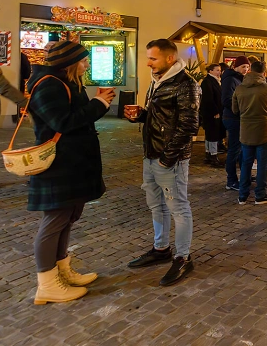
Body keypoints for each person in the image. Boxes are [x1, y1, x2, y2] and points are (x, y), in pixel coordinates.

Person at [26, 41, 115, 304]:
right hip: (58, 167)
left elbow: (74, 116)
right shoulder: (49, 84)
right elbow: (62, 122)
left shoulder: (67, 82)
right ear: (70, 62)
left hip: (72, 164)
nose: (87, 64)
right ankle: (47, 283)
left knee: (67, 217)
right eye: (84, 60)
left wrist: (96, 102)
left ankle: (62, 271)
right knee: (54, 221)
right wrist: (99, 103)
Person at [126, 39, 200, 286]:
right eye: (148, 57)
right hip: (152, 154)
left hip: (170, 159)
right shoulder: (157, 80)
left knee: (178, 207)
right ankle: (161, 249)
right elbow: (161, 118)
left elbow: (188, 126)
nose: (148, 62)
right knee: (156, 205)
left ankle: (183, 257)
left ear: (169, 59)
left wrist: (168, 158)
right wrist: (141, 116)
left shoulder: (186, 84)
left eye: (153, 58)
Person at [232, 61, 267, 204]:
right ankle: (260, 194)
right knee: (262, 163)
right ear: (264, 72)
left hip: (246, 130)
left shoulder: (239, 88)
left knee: (246, 163)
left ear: (250, 71)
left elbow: (235, 110)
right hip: (263, 130)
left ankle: (242, 196)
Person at [221, 56, 250, 191]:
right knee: (234, 149)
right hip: (233, 118)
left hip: (238, 118)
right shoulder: (231, 80)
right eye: (243, 66)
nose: (246, 69)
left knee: (240, 150)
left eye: (247, 67)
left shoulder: (238, 79)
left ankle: (243, 176)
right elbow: (226, 100)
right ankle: (231, 180)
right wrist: (240, 109)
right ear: (236, 67)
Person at [200, 63, 223, 167]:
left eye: (220, 70)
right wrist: (215, 111)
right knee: (212, 133)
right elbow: (208, 98)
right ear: (210, 71)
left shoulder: (215, 81)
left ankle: (209, 153)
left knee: (210, 133)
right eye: (217, 70)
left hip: (213, 111)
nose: (219, 72)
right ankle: (213, 155)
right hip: (211, 113)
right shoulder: (207, 82)